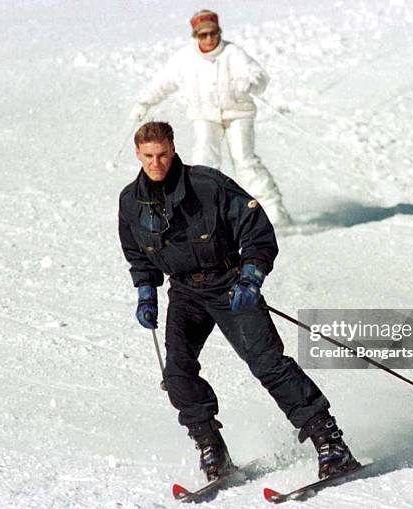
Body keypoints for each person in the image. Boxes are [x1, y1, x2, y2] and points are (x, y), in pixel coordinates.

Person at [118, 121, 360, 482]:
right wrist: (146, 291)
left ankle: (330, 443)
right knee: (177, 371)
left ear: (173, 149)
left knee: (268, 363)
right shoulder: (130, 201)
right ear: (138, 154)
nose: (157, 163)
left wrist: (251, 276)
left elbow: (257, 230)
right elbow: (137, 252)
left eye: (163, 154)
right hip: (185, 292)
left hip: (229, 283)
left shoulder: (207, 185)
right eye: (149, 156)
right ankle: (211, 447)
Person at [129, 9, 291, 227]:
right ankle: (205, 213)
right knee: (205, 161)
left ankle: (274, 213)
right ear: (195, 36)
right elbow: (162, 83)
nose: (209, 39)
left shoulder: (233, 53)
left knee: (244, 159)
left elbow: (259, 76)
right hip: (204, 116)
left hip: (238, 114)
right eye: (203, 35)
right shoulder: (184, 59)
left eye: (213, 33)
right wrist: (144, 102)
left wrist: (250, 83)